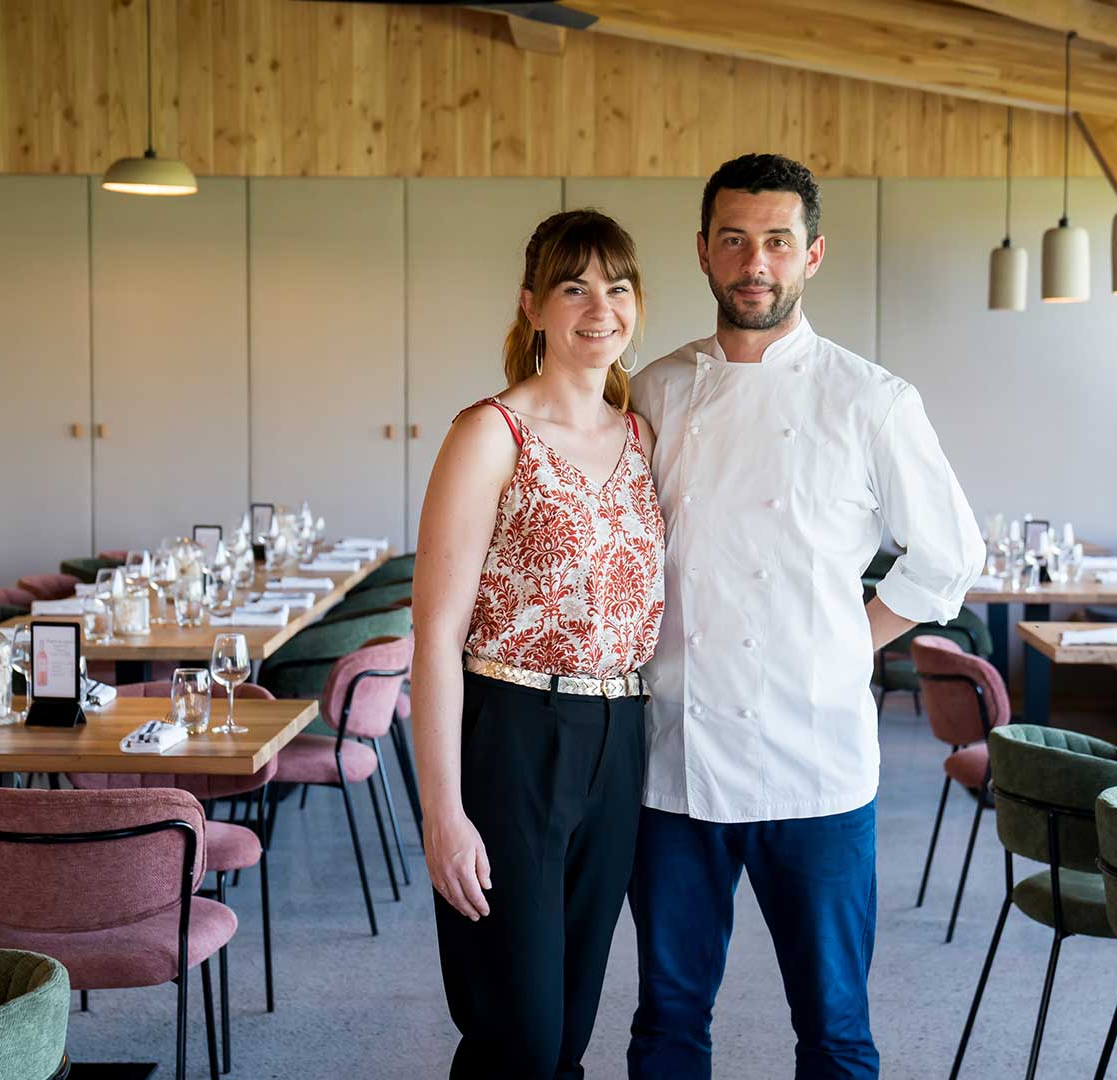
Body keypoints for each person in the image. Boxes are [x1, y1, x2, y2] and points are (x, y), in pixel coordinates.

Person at [627, 153, 987, 1079]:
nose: (757, 262)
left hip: (818, 765)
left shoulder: (870, 399)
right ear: (703, 253)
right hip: (676, 757)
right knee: (667, 1018)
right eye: (736, 240)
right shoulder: (655, 391)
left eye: (778, 242)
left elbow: (949, 556)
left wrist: (845, 640)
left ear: (812, 256)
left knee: (833, 1026)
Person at [411, 209, 666, 1079]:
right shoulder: (489, 433)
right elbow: (436, 634)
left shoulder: (641, 438)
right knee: (513, 1031)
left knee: (568, 1031)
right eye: (574, 287)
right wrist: (441, 813)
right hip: (513, 732)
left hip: (620, 736)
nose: (601, 307)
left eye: (618, 287)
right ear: (533, 307)